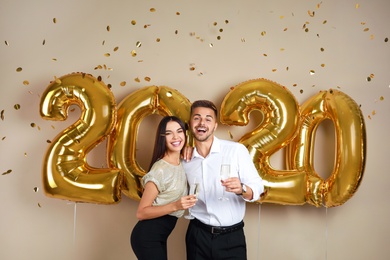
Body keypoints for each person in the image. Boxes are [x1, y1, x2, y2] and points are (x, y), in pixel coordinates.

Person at [183, 100, 264, 260]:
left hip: (231, 237)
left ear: (215, 126)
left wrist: (242, 189)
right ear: (190, 123)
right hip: (197, 235)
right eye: (197, 118)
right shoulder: (185, 158)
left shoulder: (236, 150)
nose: (202, 123)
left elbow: (258, 188)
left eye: (208, 119)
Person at [130, 116, 197, 260]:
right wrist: (176, 205)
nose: (175, 137)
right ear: (162, 138)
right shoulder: (160, 169)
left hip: (160, 235)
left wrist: (189, 148)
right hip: (147, 237)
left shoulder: (182, 161)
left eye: (179, 131)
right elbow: (141, 212)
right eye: (168, 133)